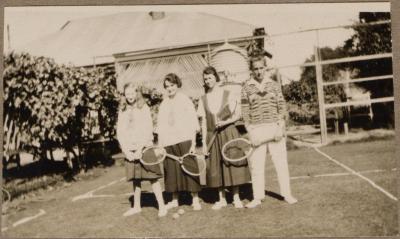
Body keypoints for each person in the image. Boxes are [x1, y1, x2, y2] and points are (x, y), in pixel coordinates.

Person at [241, 55, 298, 208]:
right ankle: (257, 197)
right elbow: (245, 112)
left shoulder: (273, 85)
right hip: (256, 130)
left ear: (265, 68)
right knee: (256, 166)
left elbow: (282, 107)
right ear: (251, 71)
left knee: (281, 164)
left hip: (275, 127)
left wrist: (280, 127)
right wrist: (251, 133)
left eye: (261, 68)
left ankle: (287, 194)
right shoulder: (246, 88)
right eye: (255, 69)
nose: (259, 71)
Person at [197, 66, 251, 209]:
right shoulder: (203, 99)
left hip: (228, 132)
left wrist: (224, 122)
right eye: (205, 79)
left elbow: (237, 115)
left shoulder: (228, 93)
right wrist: (203, 143)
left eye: (210, 77)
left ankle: (236, 197)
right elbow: (203, 123)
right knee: (216, 167)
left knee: (231, 165)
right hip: (211, 136)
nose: (208, 80)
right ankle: (221, 199)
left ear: (216, 77)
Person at [116, 83, 167, 217]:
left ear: (136, 93)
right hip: (131, 152)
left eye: (132, 93)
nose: (130, 96)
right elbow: (120, 133)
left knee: (153, 178)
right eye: (127, 94)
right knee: (136, 179)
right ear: (124, 95)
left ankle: (162, 206)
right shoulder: (122, 110)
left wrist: (140, 149)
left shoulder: (143, 108)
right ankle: (137, 206)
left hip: (144, 149)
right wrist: (127, 151)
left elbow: (148, 130)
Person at [156, 73, 202, 211]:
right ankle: (174, 200)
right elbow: (160, 126)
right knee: (171, 171)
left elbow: (193, 122)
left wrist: (193, 143)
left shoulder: (185, 99)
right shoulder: (164, 103)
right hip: (169, 142)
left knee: (189, 168)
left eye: (172, 85)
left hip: (185, 139)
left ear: (177, 85)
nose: (170, 88)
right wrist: (160, 145)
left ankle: (195, 199)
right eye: (167, 86)